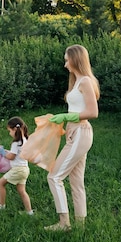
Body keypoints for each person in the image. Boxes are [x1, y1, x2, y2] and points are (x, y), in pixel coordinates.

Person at [45, 45, 100, 231]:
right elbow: (77, 108)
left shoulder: (85, 81)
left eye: (67, 59)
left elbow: (93, 112)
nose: (65, 63)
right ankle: (80, 226)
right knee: (76, 182)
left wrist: (66, 116)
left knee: (54, 177)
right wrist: (64, 119)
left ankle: (64, 223)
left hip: (81, 133)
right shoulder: (77, 81)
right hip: (74, 132)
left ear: (76, 59)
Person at [0, 117, 34, 215]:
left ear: (14, 129)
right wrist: (7, 152)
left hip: (18, 169)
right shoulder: (25, 140)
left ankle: (1, 205)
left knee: (0, 183)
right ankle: (29, 212)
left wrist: (3, 153)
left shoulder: (16, 143)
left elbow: (11, 157)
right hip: (25, 169)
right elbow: (17, 154)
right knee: (22, 190)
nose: (9, 133)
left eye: (9, 131)